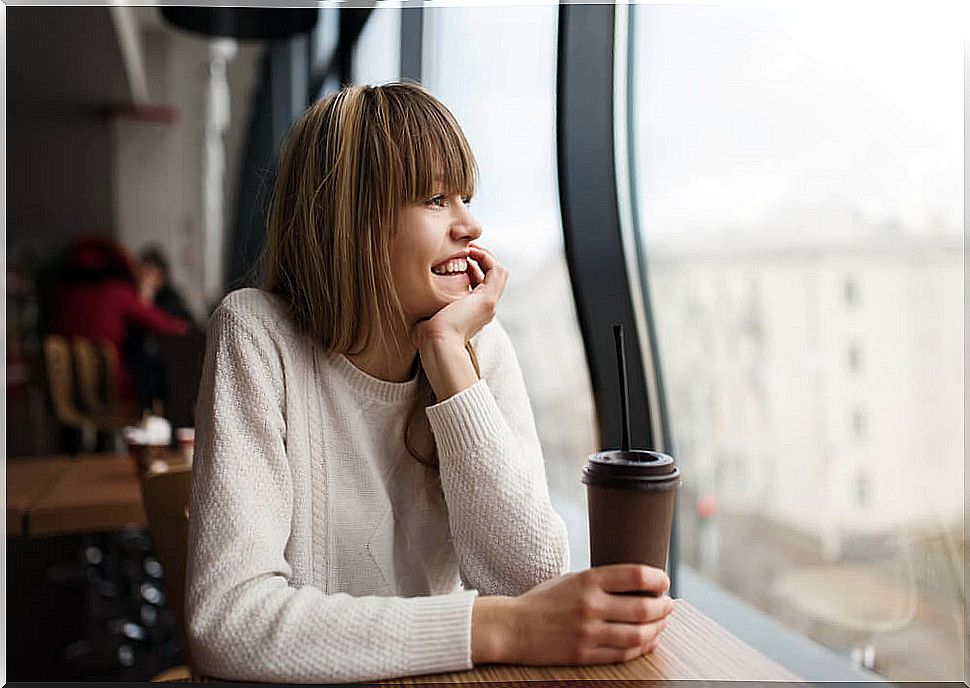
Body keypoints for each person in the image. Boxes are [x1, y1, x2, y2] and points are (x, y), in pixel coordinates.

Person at [186, 83, 674, 684]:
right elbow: (228, 623)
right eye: (437, 198)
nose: (470, 225)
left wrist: (448, 360)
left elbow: (533, 581)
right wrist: (500, 628)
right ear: (354, 219)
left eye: (465, 197)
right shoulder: (258, 336)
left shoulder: (476, 346)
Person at [46, 235, 190, 403]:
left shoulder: (62, 295)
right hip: (109, 388)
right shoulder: (116, 292)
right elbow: (165, 325)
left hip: (65, 391)